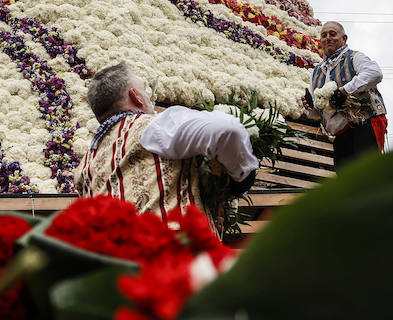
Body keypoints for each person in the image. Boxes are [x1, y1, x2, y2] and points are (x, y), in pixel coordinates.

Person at [72, 63, 259, 222]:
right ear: (136, 96)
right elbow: (227, 130)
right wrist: (241, 177)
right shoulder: (155, 126)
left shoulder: (84, 168)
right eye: (144, 90)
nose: (148, 97)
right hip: (173, 255)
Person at [303, 22, 387, 168]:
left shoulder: (354, 57)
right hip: (339, 135)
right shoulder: (316, 72)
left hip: (364, 125)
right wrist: (310, 108)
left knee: (369, 175)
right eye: (324, 35)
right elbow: (318, 114)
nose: (328, 38)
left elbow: (375, 73)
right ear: (320, 41)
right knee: (347, 181)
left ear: (344, 39)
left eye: (332, 34)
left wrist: (345, 90)